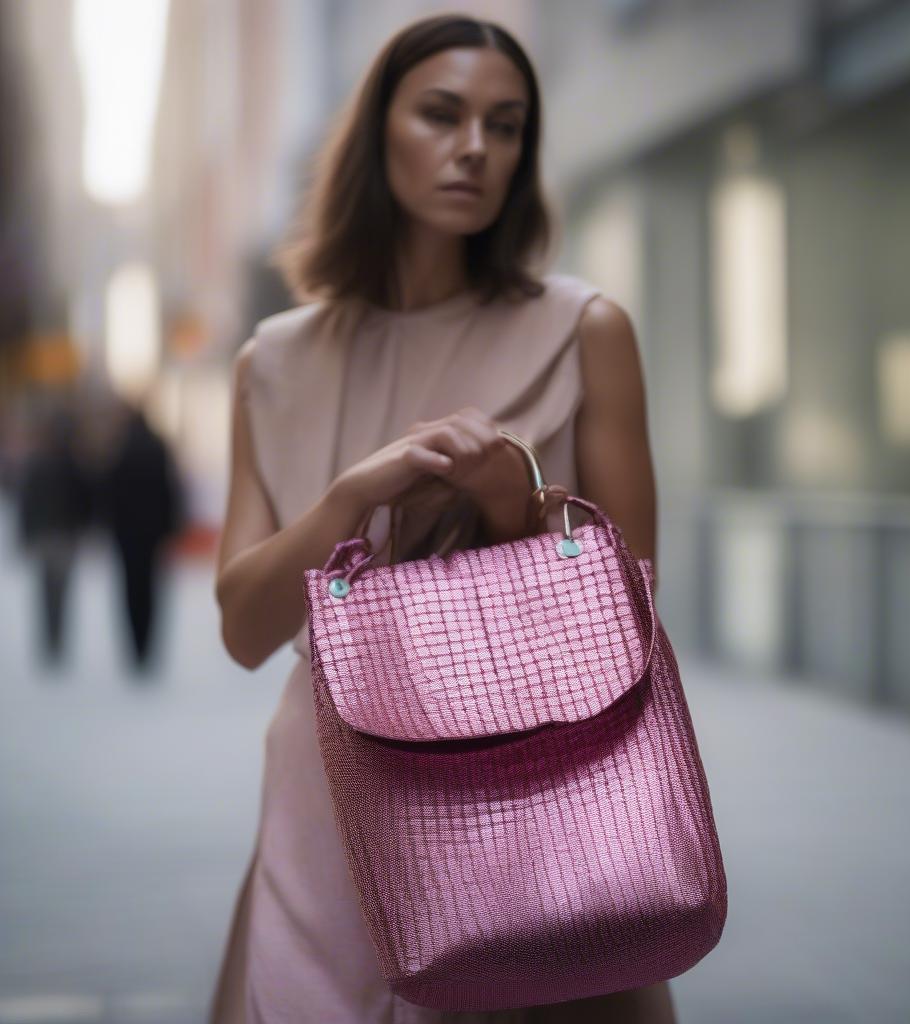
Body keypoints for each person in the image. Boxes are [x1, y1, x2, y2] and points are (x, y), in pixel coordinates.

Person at [210, 14, 667, 1023]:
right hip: (325, 787)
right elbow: (243, 630)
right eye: (442, 115)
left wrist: (511, 510)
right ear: (377, 133)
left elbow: (632, 617)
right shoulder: (272, 363)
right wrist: (349, 498)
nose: (475, 148)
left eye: (505, 126)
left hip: (517, 790)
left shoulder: (583, 330)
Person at [97, 403, 184, 670]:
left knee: (130, 590)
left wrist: (108, 526)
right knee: (150, 590)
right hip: (153, 534)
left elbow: (109, 494)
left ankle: (136, 648)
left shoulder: (119, 449)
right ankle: (148, 647)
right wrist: (171, 527)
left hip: (126, 536)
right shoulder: (158, 448)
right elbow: (170, 491)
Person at [16, 404, 93, 665]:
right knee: (59, 591)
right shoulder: (72, 463)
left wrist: (26, 534)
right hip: (62, 535)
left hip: (51, 535)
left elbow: (28, 502)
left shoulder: (43, 463)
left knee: (48, 590)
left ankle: (52, 640)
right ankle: (55, 639)